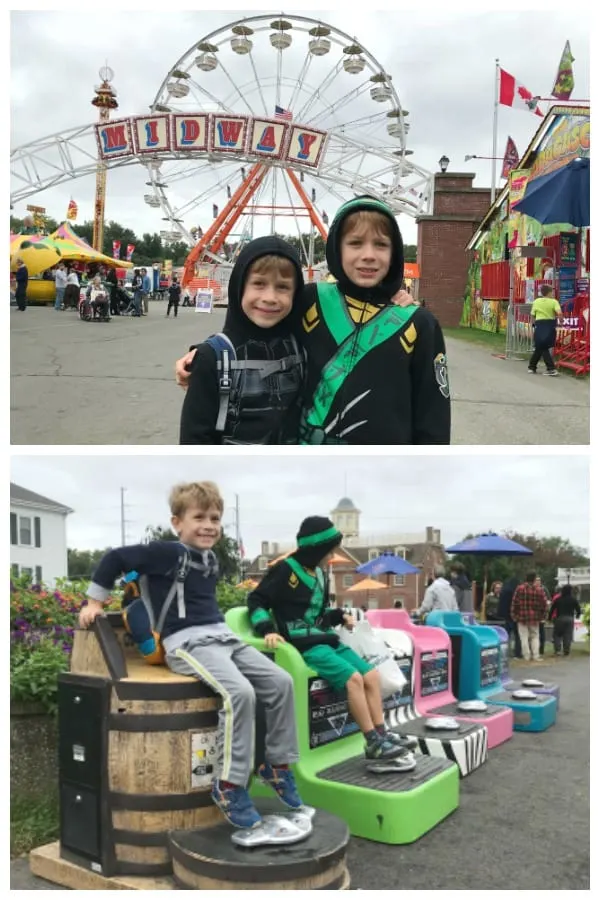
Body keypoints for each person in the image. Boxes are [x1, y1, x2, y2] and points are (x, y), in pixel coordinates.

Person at [78, 480, 304, 830]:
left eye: (215, 518)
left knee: (281, 681)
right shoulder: (167, 552)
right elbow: (115, 558)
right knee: (239, 693)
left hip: (222, 636)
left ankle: (276, 764)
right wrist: (94, 601)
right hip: (187, 643)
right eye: (199, 517)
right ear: (177, 523)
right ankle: (229, 785)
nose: (209, 525)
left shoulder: (210, 559)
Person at [175, 196, 450, 444]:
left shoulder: (419, 324)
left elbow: (433, 417)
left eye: (381, 245)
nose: (368, 255)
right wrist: (202, 356)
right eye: (355, 243)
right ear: (336, 249)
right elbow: (257, 331)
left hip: (382, 475)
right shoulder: (310, 300)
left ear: (395, 253)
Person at [247, 516, 416, 768]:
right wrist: (266, 629)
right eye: (328, 550)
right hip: (304, 644)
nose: (331, 555)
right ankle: (372, 743)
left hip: (326, 639)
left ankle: (382, 734)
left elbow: (318, 614)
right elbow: (256, 600)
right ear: (316, 549)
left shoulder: (321, 574)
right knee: (354, 679)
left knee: (371, 676)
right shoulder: (285, 570)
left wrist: (339, 616)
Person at [179, 236, 305, 445]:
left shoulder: (301, 346)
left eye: (282, 287)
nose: (270, 297)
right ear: (239, 286)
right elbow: (194, 439)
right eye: (259, 284)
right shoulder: (211, 359)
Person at [510, 572, 547, 662]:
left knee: (524, 637)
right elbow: (544, 604)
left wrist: (514, 615)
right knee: (535, 636)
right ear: (534, 579)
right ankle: (536, 655)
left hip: (522, 617)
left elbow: (514, 603)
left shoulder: (519, 588)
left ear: (526, 578)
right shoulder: (540, 590)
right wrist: (542, 615)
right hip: (535, 617)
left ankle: (526, 656)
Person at [528, 285, 562, 376]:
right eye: (552, 292)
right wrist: (561, 321)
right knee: (543, 346)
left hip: (539, 324)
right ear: (550, 292)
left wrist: (533, 325)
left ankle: (532, 367)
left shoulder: (536, 301)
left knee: (540, 346)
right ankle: (551, 369)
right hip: (549, 325)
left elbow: (532, 315)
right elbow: (559, 313)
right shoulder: (554, 302)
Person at [548, 584, 581, 657]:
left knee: (557, 635)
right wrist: (578, 616)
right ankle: (566, 651)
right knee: (568, 635)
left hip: (560, 618)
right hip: (570, 619)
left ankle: (557, 650)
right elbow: (578, 609)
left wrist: (549, 618)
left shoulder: (558, 599)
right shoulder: (573, 599)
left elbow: (552, 609)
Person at [498, 576, 522, 658]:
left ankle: (504, 652)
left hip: (504, 616)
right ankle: (517, 652)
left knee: (505, 635)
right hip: (514, 615)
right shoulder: (515, 591)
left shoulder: (504, 590)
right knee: (518, 635)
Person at [534, 575, 551, 656]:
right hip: (533, 615)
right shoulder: (531, 589)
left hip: (541, 615)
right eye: (536, 580)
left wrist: (546, 610)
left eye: (539, 580)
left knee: (541, 632)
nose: (538, 582)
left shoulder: (544, 589)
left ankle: (541, 649)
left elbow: (549, 600)